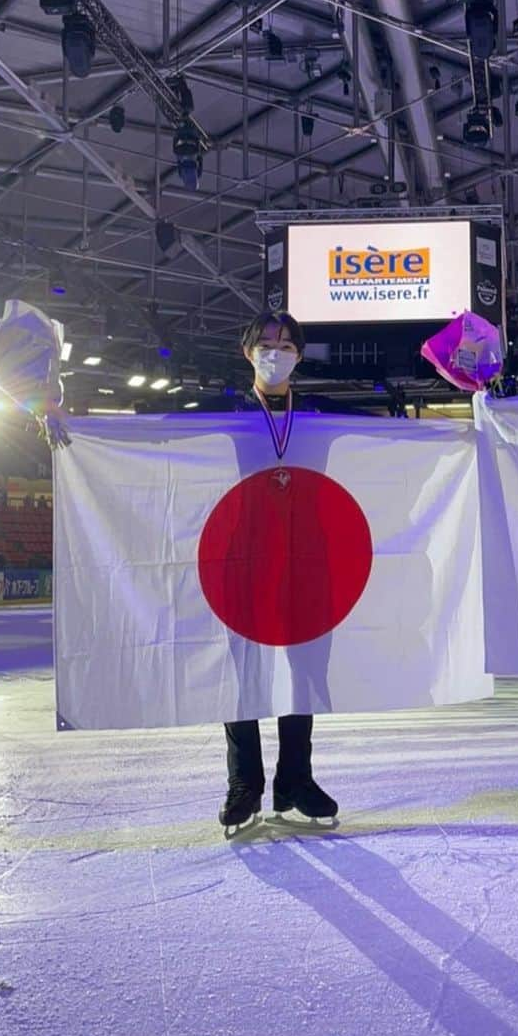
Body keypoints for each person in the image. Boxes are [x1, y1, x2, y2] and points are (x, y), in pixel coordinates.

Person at [217, 309, 339, 832]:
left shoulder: (315, 413)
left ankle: (296, 780)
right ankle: (245, 784)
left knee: (303, 673)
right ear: (247, 351)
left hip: (307, 559)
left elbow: (392, 438)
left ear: (299, 355)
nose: (276, 351)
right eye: (266, 342)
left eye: (287, 343)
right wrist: (71, 422)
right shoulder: (224, 411)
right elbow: (155, 429)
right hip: (241, 559)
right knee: (242, 675)